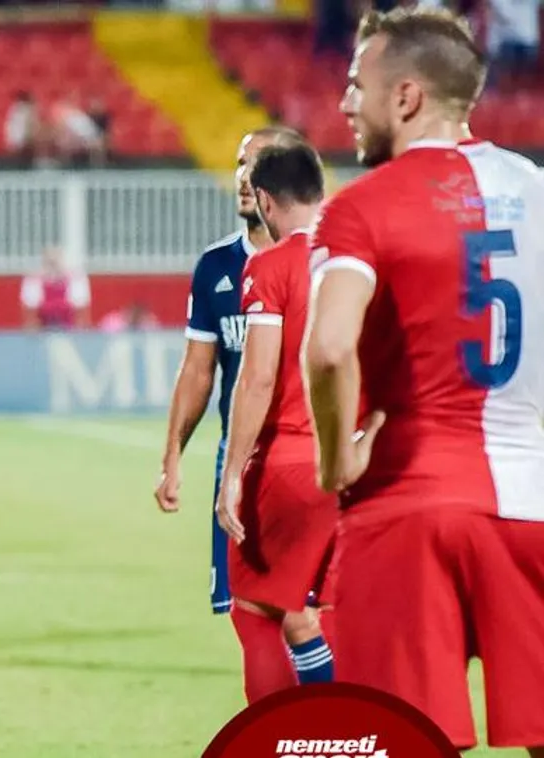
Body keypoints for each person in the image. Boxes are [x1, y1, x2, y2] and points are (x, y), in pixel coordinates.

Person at [306, 8, 544, 753]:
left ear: (405, 96)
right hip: (534, 505)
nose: (345, 102)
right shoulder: (538, 190)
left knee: (406, 738)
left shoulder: (358, 209)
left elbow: (328, 348)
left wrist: (334, 461)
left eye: (357, 84)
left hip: (408, 506)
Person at [154, 125, 304, 620]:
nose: (243, 176)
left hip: (305, 455)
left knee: (312, 614)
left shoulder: (324, 261)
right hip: (238, 460)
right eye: (240, 162)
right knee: (249, 613)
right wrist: (172, 455)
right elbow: (198, 371)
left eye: (257, 163)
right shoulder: (216, 266)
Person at [214, 142, 337, 705]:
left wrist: (232, 474)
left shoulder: (270, 265)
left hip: (288, 464)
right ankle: (349, 730)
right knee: (325, 610)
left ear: (264, 200)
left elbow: (259, 377)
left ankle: (290, 736)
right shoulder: (360, 261)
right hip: (353, 465)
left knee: (256, 609)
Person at [20, 246, 91, 331]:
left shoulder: (75, 279)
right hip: (43, 327)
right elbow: (30, 312)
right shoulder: (34, 280)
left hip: (69, 327)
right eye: (50, 262)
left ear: (61, 262)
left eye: (55, 262)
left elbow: (81, 310)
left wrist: (81, 329)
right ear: (44, 262)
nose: (53, 266)